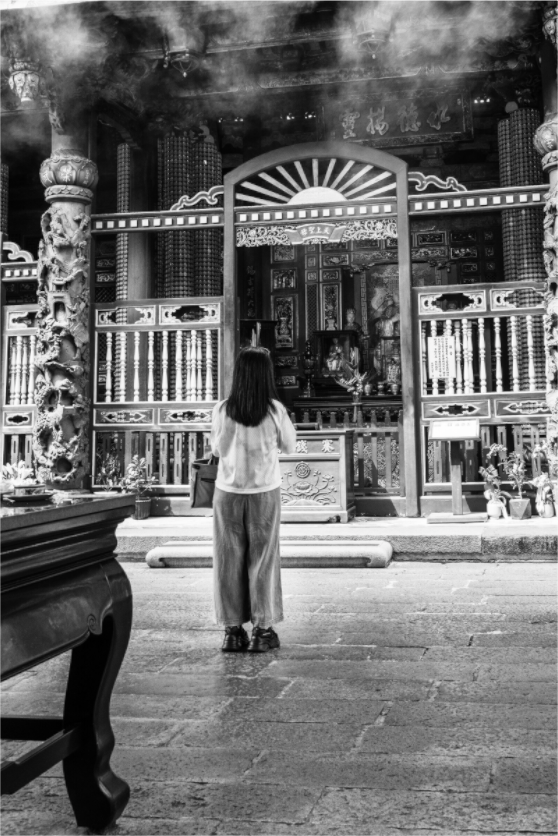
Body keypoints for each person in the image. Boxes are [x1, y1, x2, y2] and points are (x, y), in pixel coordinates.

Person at [210, 346, 297, 653]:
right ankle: (262, 630)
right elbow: (290, 446)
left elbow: (217, 451)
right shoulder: (274, 410)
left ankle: (232, 631)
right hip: (263, 494)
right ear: (265, 375)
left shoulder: (223, 409)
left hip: (227, 494)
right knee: (263, 559)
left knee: (227, 559)